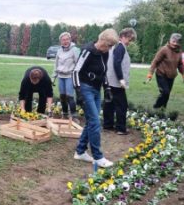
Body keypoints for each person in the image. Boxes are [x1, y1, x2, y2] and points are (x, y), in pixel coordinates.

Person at [73, 28, 119, 168]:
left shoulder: (105, 53)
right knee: (95, 121)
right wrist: (79, 93)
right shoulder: (88, 51)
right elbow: (75, 72)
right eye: (110, 45)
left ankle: (80, 151)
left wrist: (107, 89)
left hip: (96, 90)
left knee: (92, 121)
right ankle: (98, 157)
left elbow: (104, 72)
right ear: (103, 41)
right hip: (85, 88)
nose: (110, 49)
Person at [103, 27, 136, 135]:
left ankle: (108, 125)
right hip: (116, 83)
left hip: (110, 80)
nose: (130, 42)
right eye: (129, 39)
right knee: (122, 105)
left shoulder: (115, 47)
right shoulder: (120, 47)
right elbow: (116, 63)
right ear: (122, 37)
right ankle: (121, 128)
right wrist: (121, 79)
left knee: (109, 103)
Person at [147, 33, 184, 110]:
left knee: (167, 94)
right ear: (170, 40)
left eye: (177, 42)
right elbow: (155, 61)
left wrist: (183, 74)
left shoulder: (179, 51)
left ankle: (162, 110)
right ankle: (156, 107)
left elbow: (180, 64)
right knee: (165, 92)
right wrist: (150, 73)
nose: (175, 43)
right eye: (173, 41)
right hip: (161, 74)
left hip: (171, 76)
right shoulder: (164, 49)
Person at [52, 31, 80, 118]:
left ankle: (74, 116)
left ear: (70, 40)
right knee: (62, 96)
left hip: (70, 76)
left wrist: (77, 77)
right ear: (61, 41)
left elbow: (78, 64)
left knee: (69, 96)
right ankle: (65, 114)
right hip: (61, 76)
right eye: (63, 40)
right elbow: (56, 65)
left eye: (67, 39)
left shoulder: (74, 50)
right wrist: (53, 78)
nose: (65, 41)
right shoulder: (59, 51)